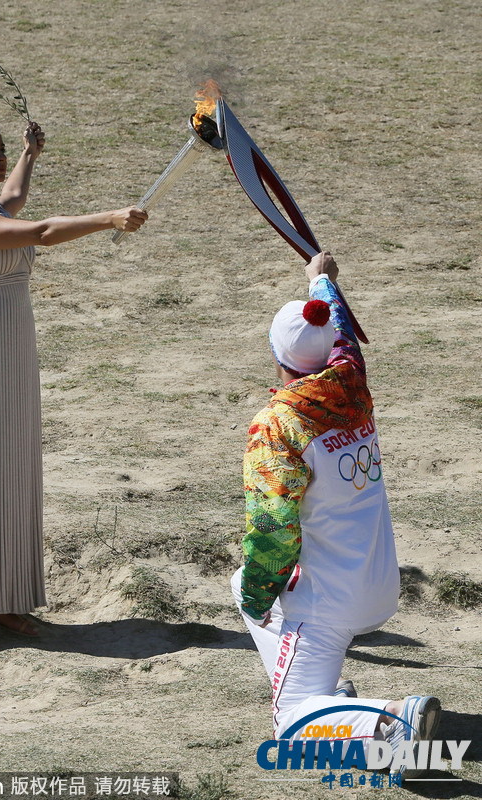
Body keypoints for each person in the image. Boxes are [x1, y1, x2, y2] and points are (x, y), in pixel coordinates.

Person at [0, 115, 147, 642]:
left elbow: (14, 198)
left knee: (7, 467)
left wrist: (29, 154)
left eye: (1, 149)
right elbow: (42, 232)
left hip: (10, 345)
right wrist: (109, 218)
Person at [231, 251, 440, 778]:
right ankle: (327, 694)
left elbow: (272, 533)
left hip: (325, 603)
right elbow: (341, 334)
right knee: (240, 582)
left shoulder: (277, 426)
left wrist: (259, 598)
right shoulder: (350, 383)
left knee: (291, 729)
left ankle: (392, 719)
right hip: (378, 583)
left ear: (275, 352)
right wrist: (321, 281)